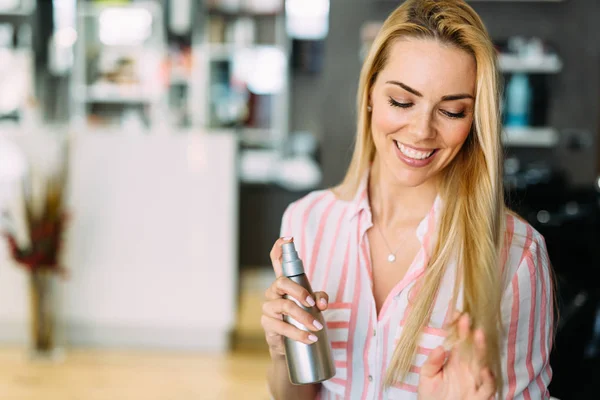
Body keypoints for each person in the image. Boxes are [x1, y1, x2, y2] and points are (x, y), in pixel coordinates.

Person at [261, 0, 554, 399]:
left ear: (474, 121)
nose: (421, 131)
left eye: (451, 111)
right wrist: (282, 354)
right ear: (369, 93)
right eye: (402, 101)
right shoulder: (308, 221)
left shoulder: (515, 256)